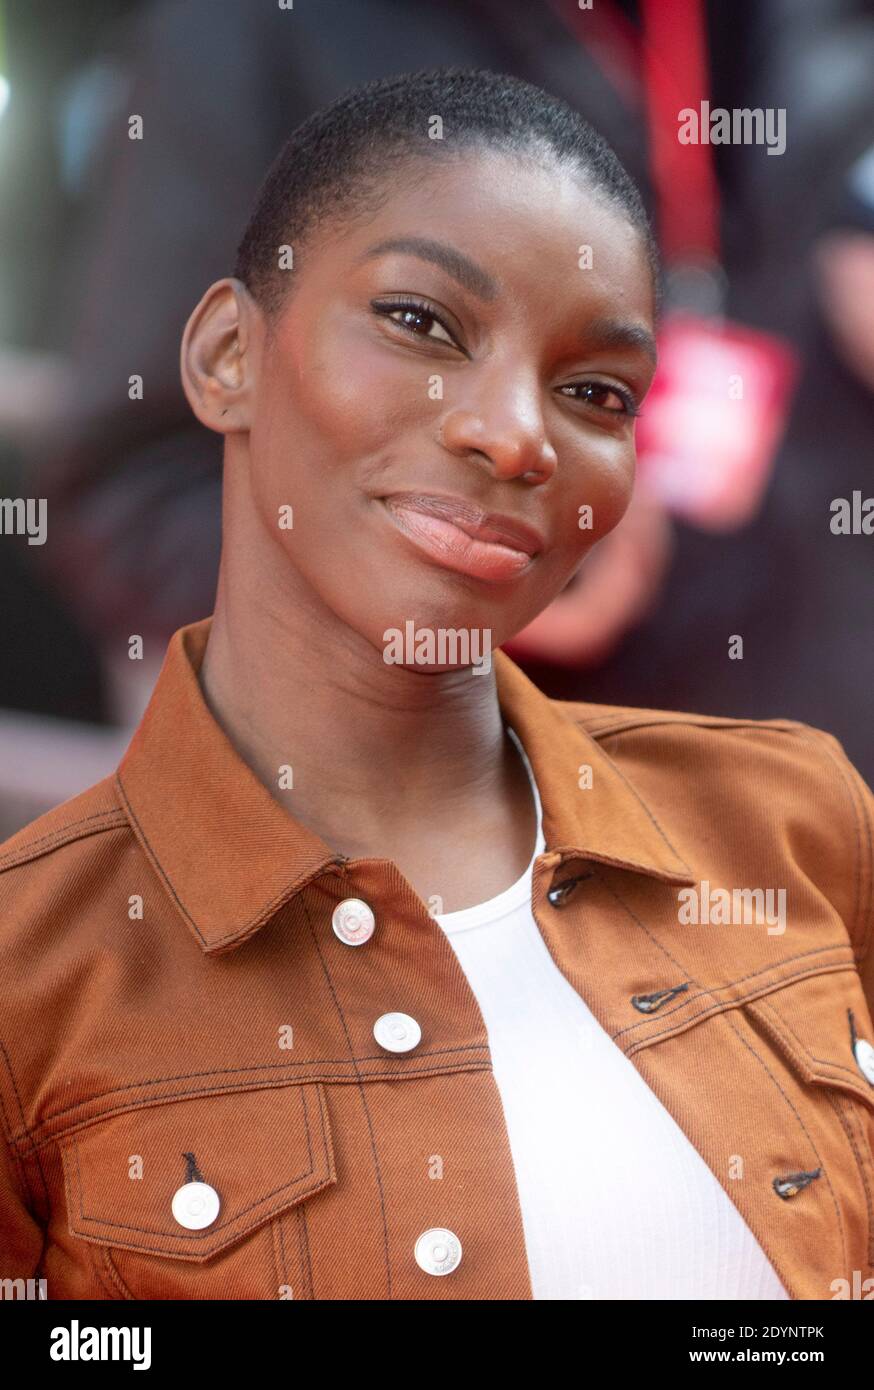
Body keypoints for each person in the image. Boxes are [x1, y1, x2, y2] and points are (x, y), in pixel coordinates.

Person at [1, 69, 872, 1302]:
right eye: (421, 321)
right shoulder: (30, 972)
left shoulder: (793, 818)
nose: (517, 434)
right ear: (225, 354)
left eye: (596, 392)